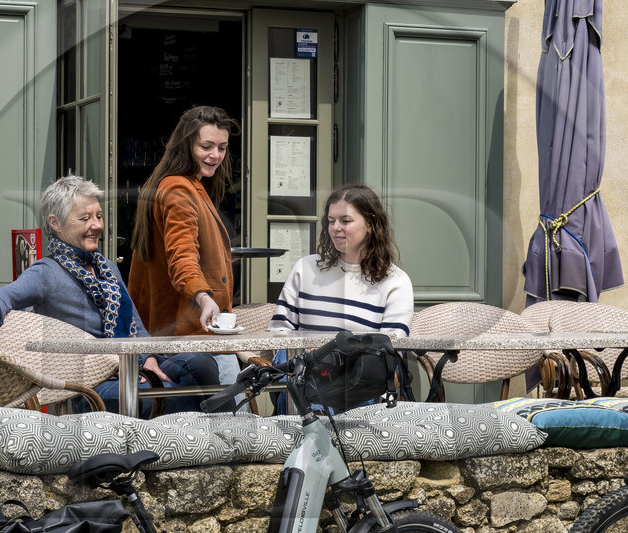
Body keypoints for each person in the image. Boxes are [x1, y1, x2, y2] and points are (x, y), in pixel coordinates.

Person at [0, 175, 219, 414]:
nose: (96, 225)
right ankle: (202, 424)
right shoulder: (46, 272)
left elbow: (136, 326)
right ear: (55, 223)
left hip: (133, 367)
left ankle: (195, 421)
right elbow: (7, 295)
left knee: (202, 364)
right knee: (179, 397)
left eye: (98, 216)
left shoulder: (107, 269)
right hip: (90, 388)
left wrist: (149, 359)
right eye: (85, 218)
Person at [127, 105, 239, 380]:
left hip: (186, 336)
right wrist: (204, 297)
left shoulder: (184, 185)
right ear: (186, 146)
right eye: (206, 146)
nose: (215, 155)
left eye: (222, 148)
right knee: (227, 406)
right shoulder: (178, 188)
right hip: (190, 336)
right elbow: (183, 257)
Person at [271, 184, 414, 336]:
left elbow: (390, 345)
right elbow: (279, 331)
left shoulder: (395, 282)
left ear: (370, 224)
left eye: (345, 221)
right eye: (331, 221)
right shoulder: (305, 268)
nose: (335, 228)